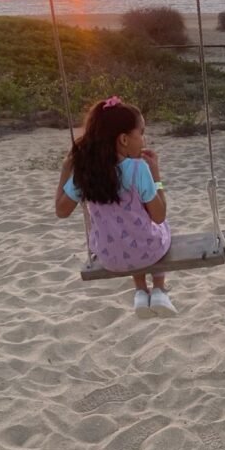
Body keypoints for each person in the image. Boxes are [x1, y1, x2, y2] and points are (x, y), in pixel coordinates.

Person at [55, 96, 176, 318]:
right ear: (124, 139)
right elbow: (159, 216)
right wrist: (156, 174)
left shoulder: (85, 172)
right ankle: (159, 289)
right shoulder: (139, 169)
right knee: (160, 226)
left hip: (109, 257)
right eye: (141, 132)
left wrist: (66, 169)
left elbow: (61, 211)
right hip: (147, 252)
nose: (144, 139)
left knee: (125, 230)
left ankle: (141, 292)